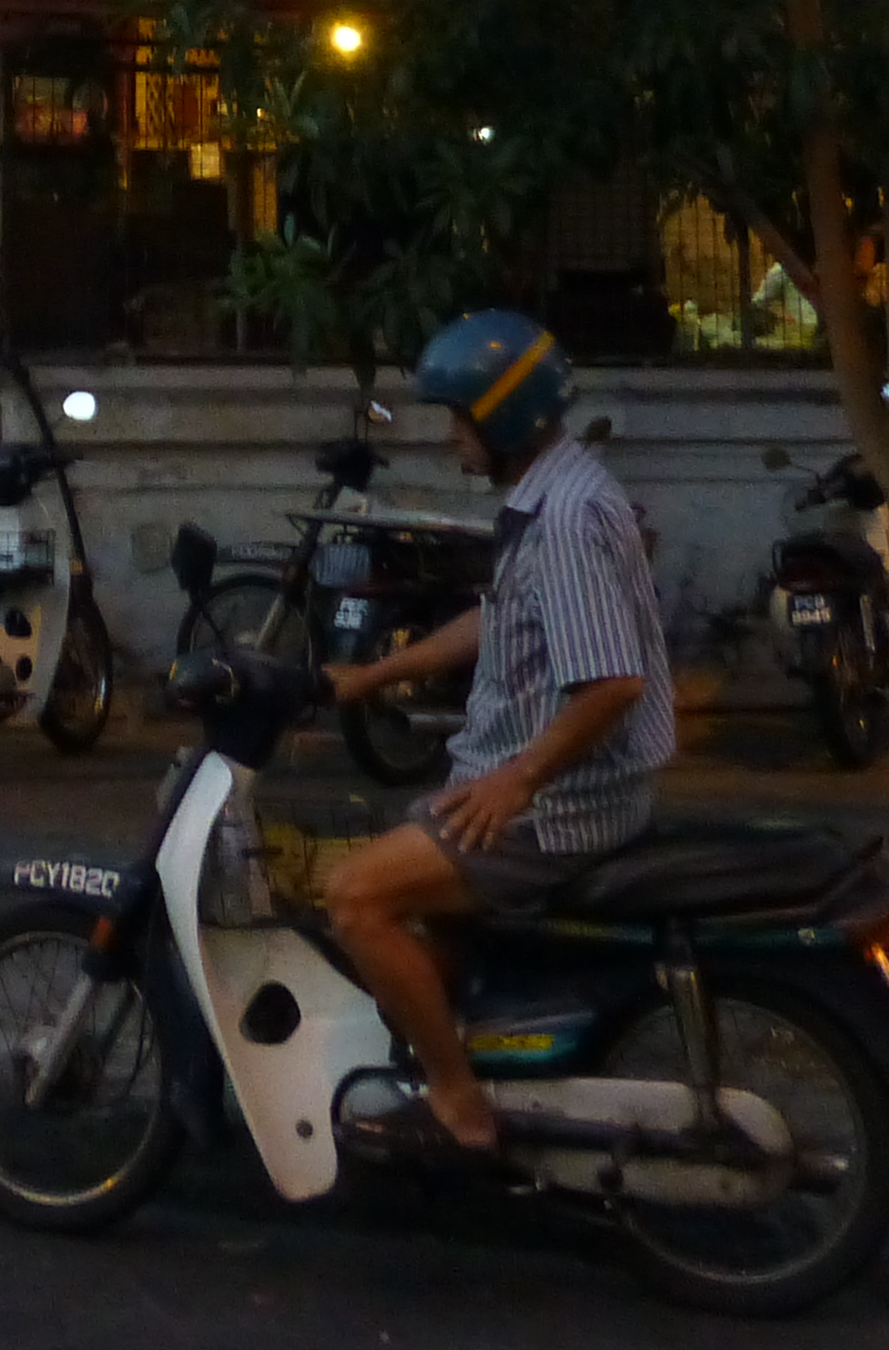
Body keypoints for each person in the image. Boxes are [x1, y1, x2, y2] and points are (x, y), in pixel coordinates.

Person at [320, 309, 674, 1169]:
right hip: (554, 786)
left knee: (354, 896)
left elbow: (612, 684)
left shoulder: (564, 521)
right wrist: (368, 677)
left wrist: (516, 780)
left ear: (502, 417)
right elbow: (499, 618)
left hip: (560, 806)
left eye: (457, 420)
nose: (450, 441)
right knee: (407, 855)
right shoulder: (557, 489)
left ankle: (457, 1105)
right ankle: (460, 1037)